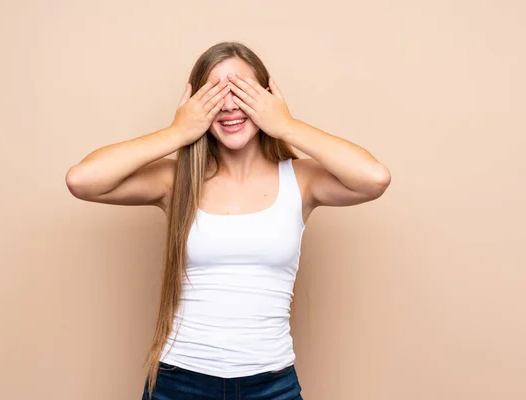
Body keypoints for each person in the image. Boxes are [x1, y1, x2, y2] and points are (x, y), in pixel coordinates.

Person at [65, 41, 391, 400]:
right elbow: (82, 180)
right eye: (216, 92)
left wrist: (286, 124)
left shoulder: (301, 180)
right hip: (180, 382)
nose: (230, 105)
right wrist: (177, 132)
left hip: (272, 385)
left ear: (267, 98)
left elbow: (373, 178)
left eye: (242, 90)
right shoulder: (176, 180)